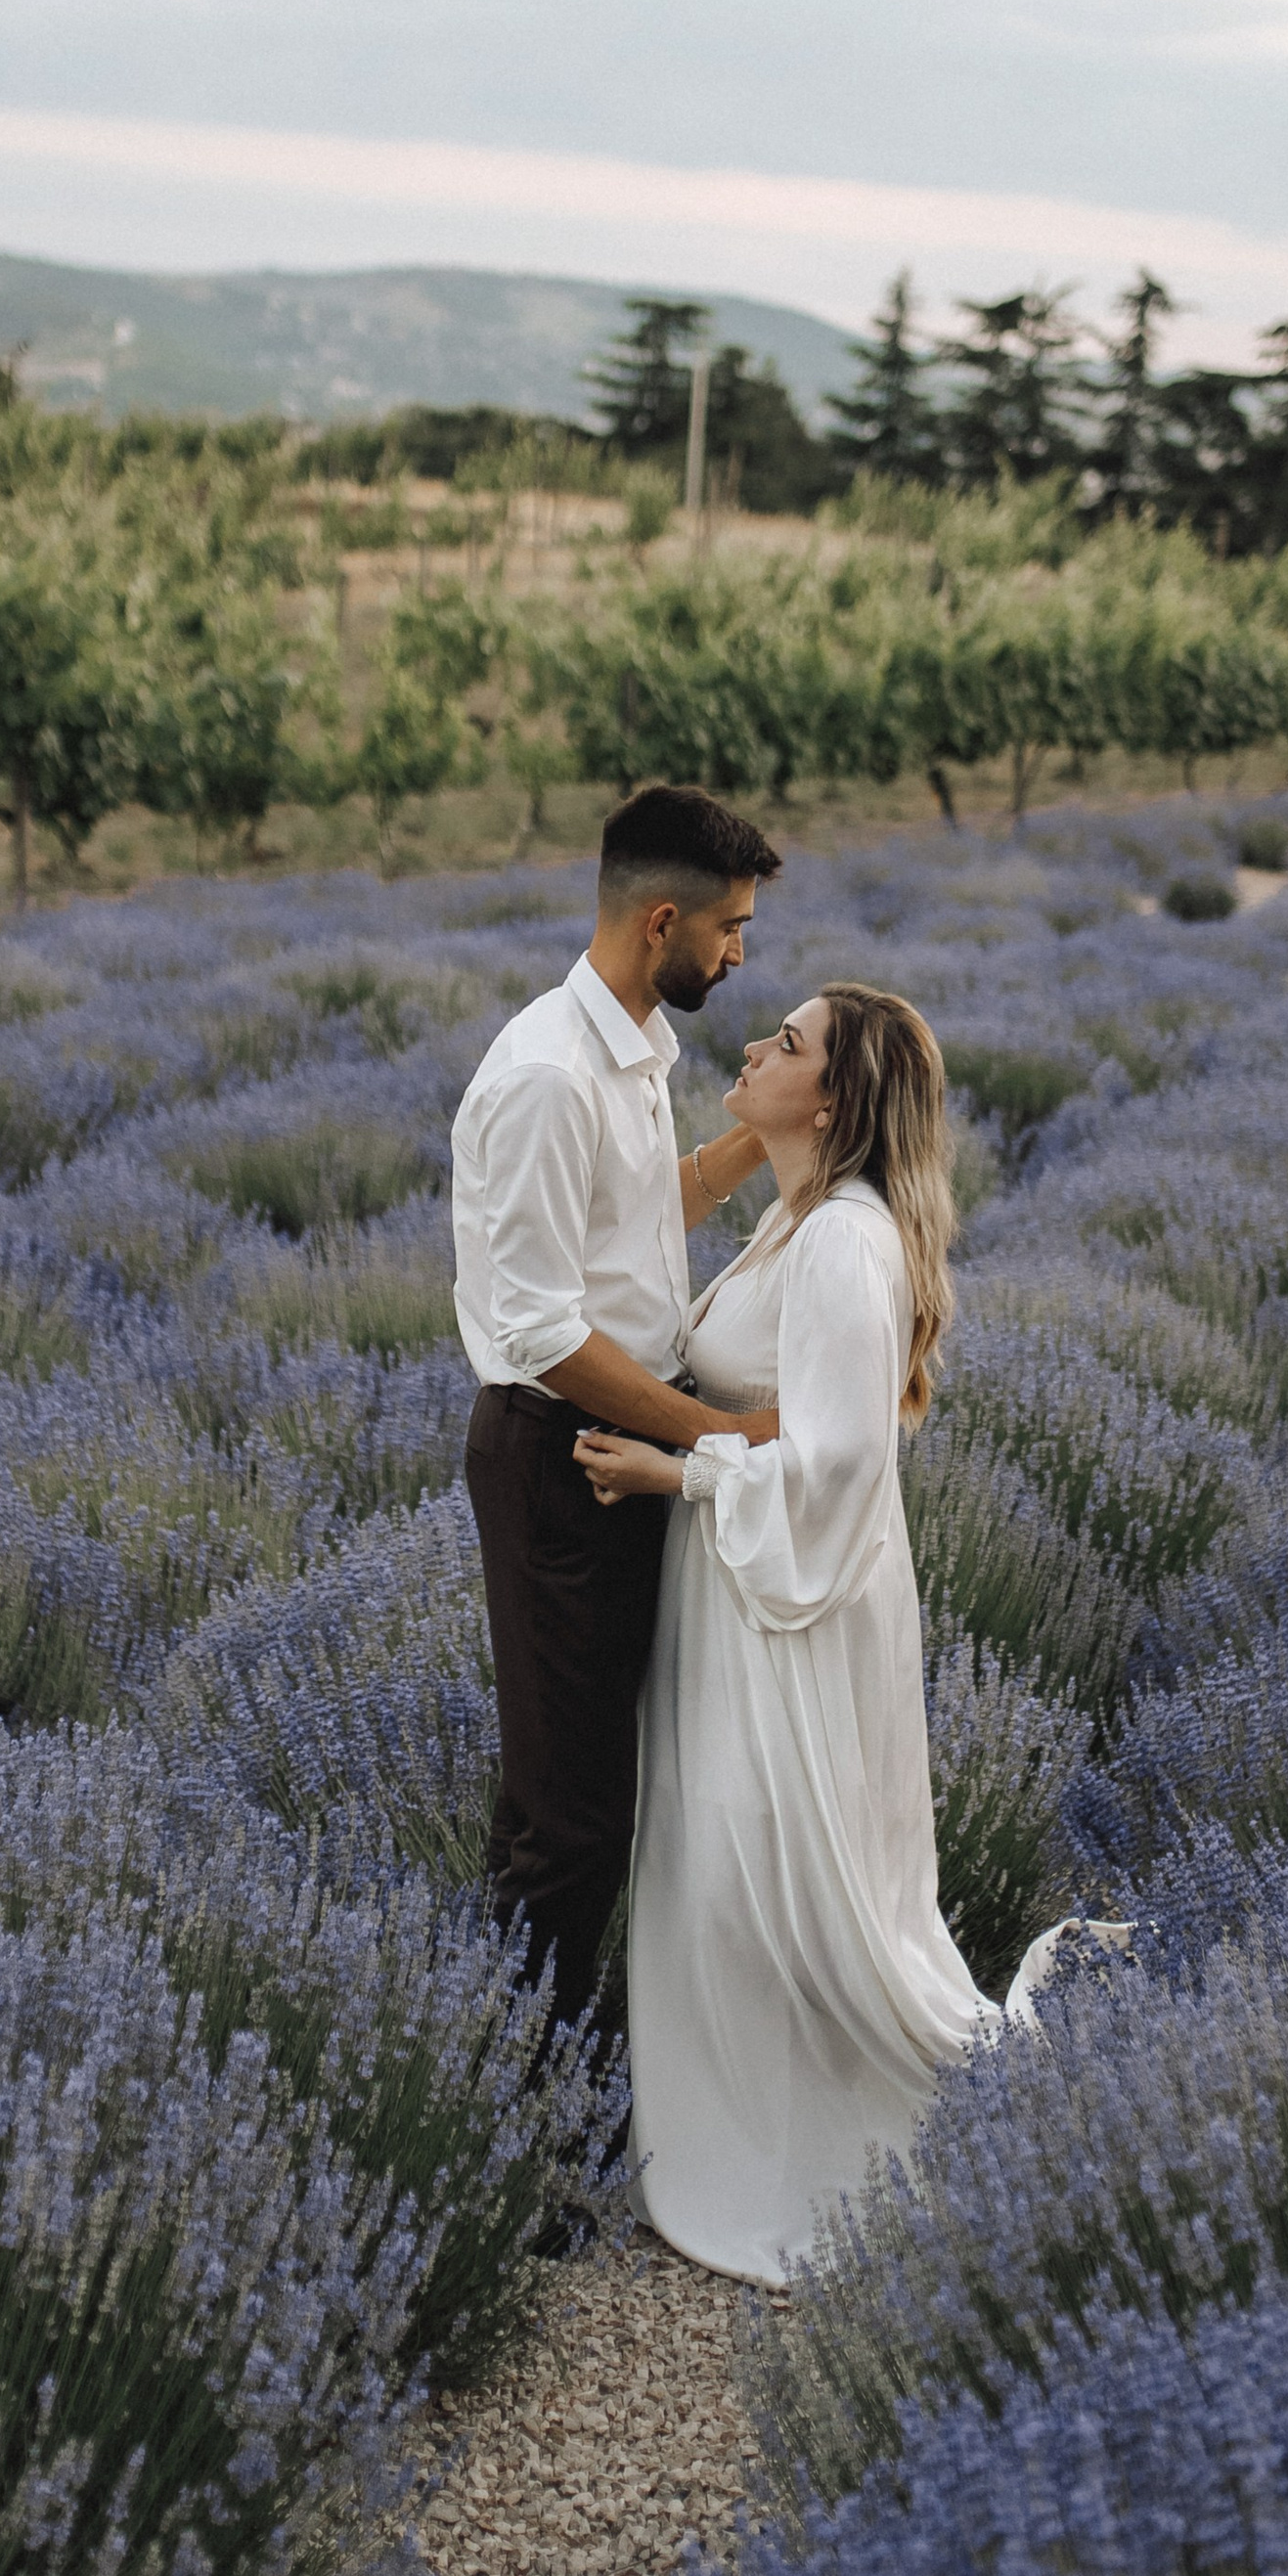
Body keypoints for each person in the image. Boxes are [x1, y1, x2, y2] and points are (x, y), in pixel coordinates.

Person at [574, 984, 1124, 2287]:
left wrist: (675, 1475)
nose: (759, 1046)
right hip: (763, 1589)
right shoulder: (798, 1220)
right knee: (739, 1868)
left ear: (832, 1097)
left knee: (775, 1875)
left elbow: (836, 1460)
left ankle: (843, 2149)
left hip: (793, 1598)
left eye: (791, 1042)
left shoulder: (839, 1241)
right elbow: (792, 1415)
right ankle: (751, 2140)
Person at [451, 783, 785, 2022]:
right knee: (563, 1816)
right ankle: (521, 2119)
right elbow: (540, 1331)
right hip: (564, 1452)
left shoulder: (637, 1048)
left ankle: (573, 2074)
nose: (739, 951)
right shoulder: (548, 1075)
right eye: (728, 928)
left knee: (607, 1787)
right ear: (661, 922)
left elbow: (641, 1223)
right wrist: (716, 1436)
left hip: (625, 1443)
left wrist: (767, 1134)